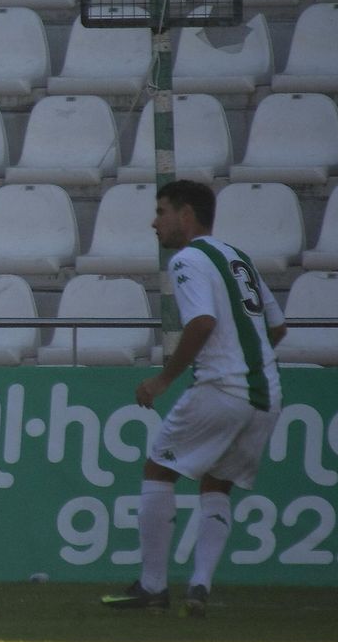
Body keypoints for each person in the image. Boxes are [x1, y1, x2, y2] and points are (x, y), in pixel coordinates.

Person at [103, 180, 286, 617]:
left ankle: (152, 586)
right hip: (266, 396)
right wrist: (247, 361)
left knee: (158, 468)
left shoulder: (188, 260)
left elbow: (201, 322)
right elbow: (276, 328)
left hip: (221, 389)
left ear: (186, 215)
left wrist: (163, 380)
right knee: (216, 483)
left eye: (162, 211)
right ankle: (200, 585)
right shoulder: (238, 258)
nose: (155, 221)